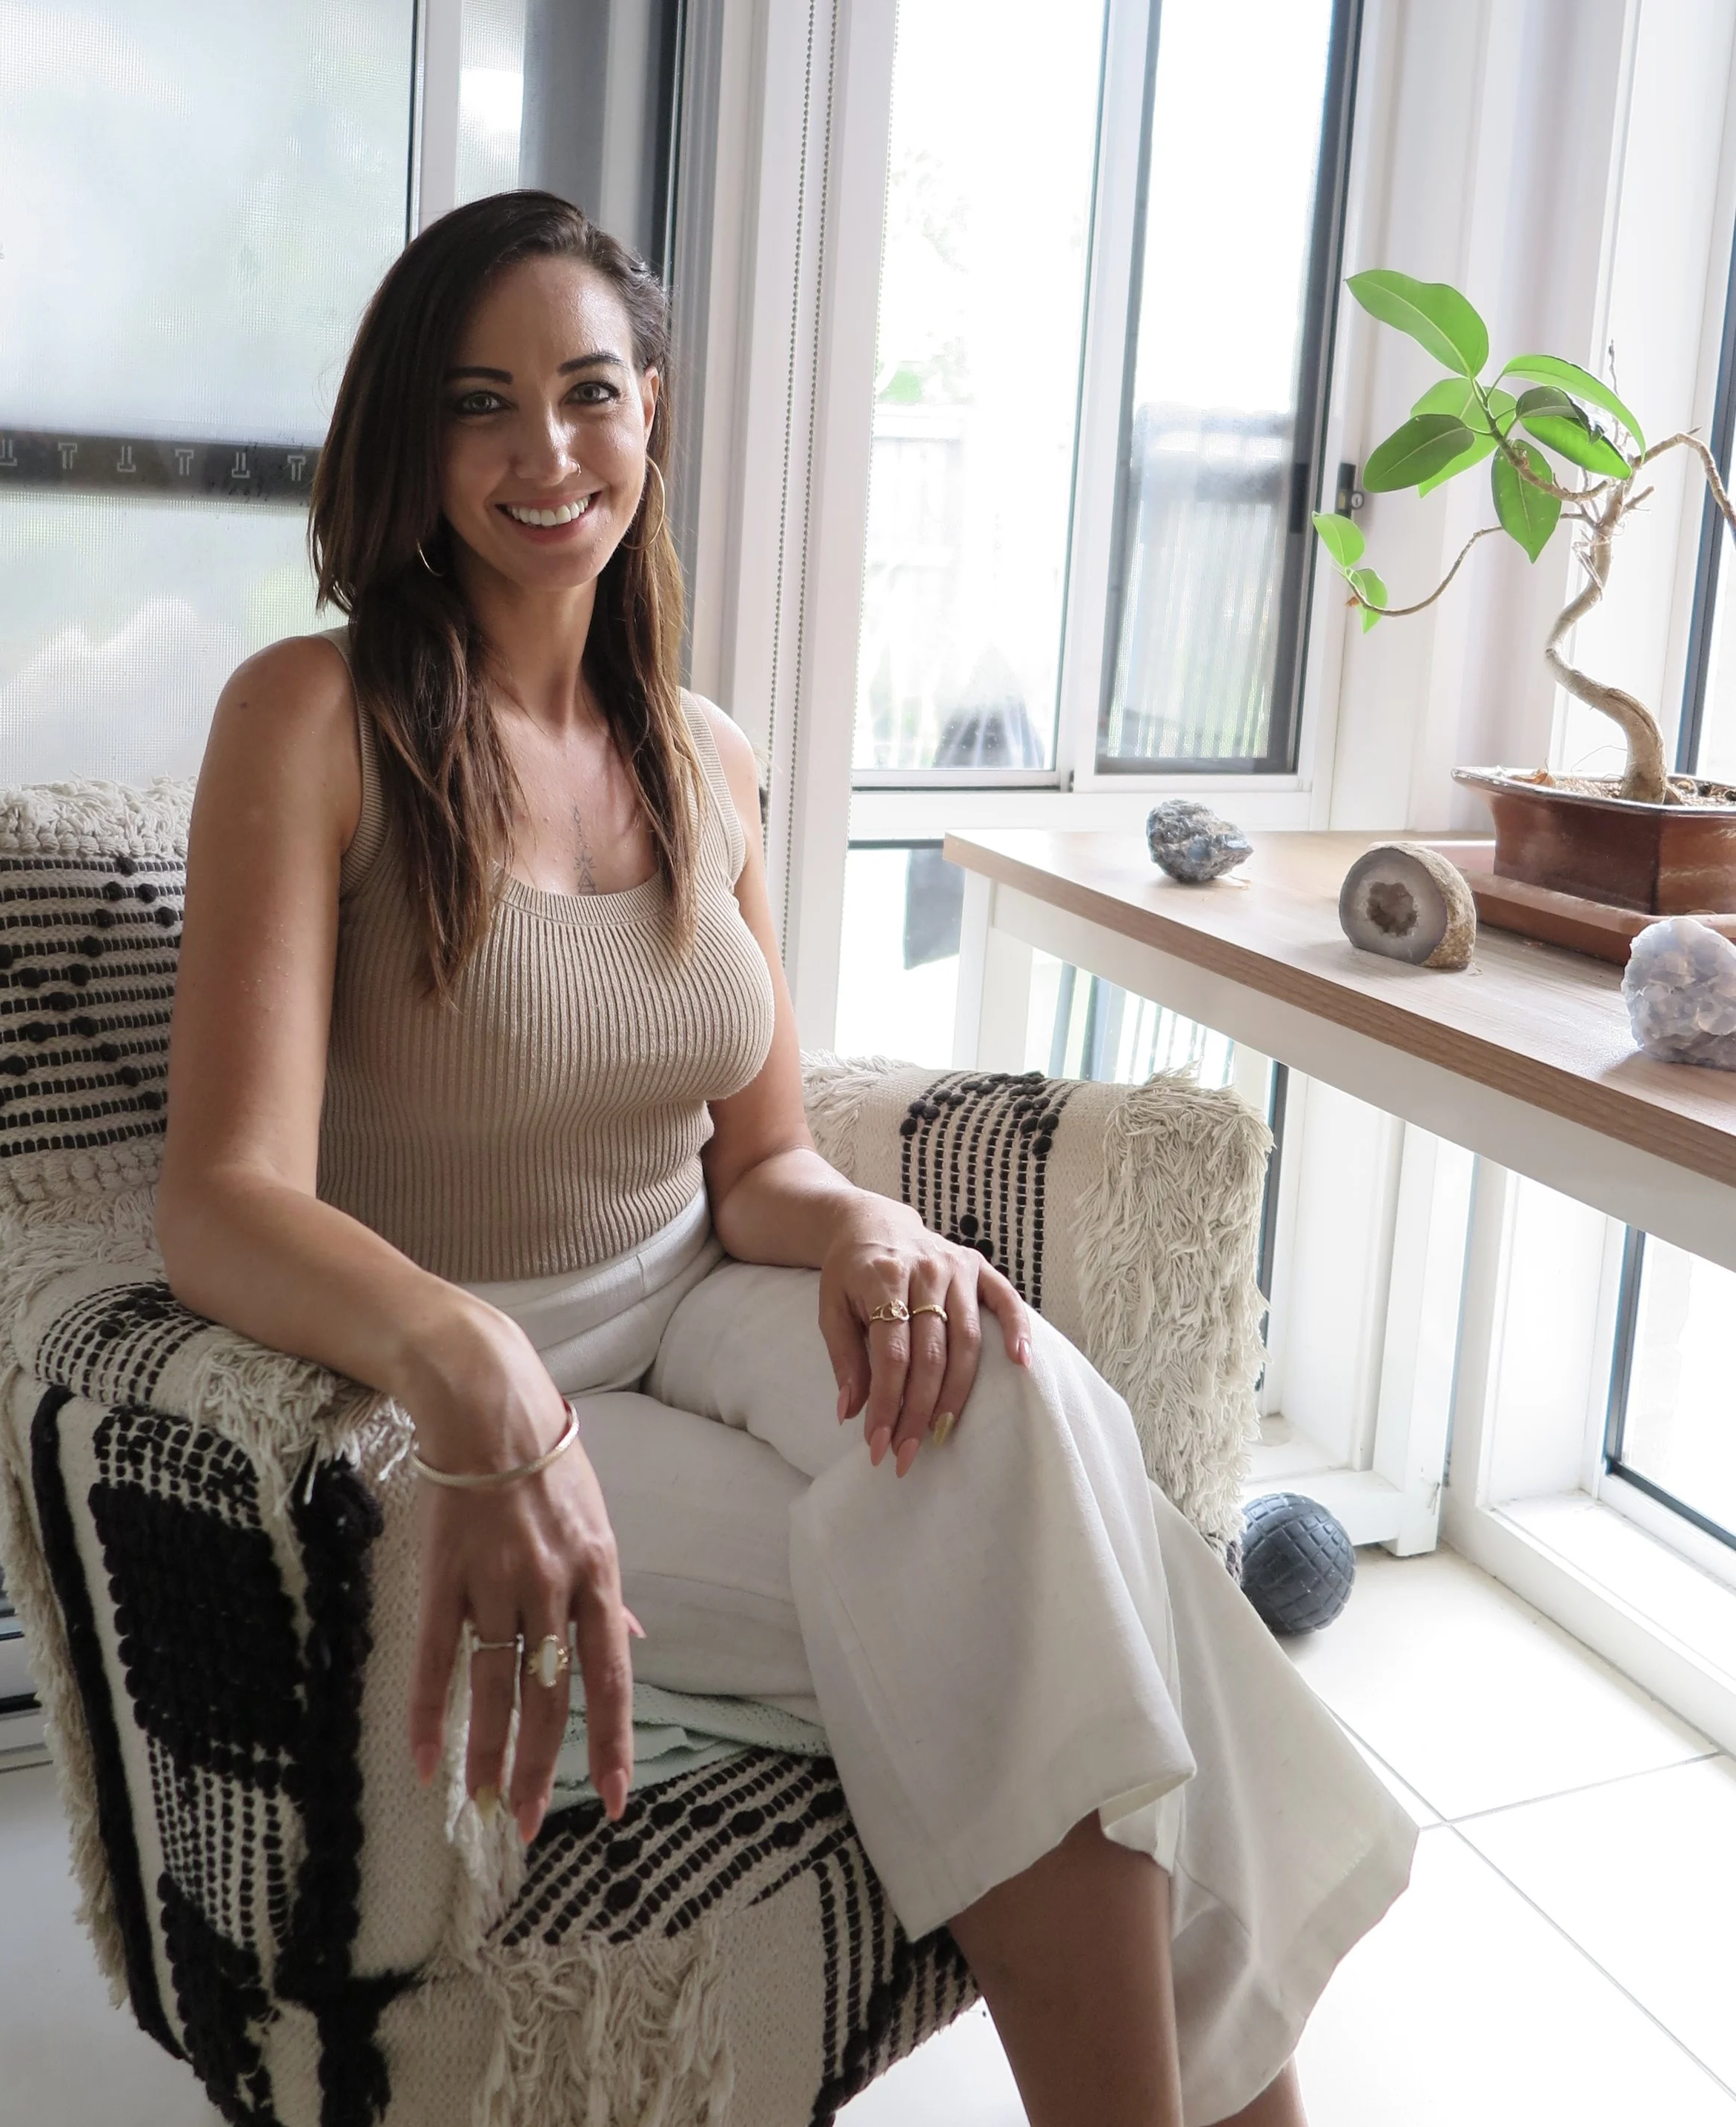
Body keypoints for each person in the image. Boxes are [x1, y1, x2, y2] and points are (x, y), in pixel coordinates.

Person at [156, 190, 1413, 2127]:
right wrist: (470, 1367)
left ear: (649, 409)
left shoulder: (704, 751)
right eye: (481, 403)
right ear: (412, 438)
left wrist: (874, 1229)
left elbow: (757, 1166)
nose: (543, 451)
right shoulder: (309, 717)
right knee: (1063, 1598)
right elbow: (221, 1197)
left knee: (993, 1390)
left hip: (690, 1300)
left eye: (587, 393)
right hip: (438, 1398)